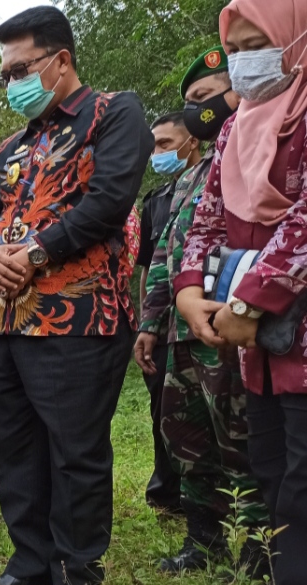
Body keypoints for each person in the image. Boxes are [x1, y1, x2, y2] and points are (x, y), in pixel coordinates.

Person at [0, 7, 152, 585]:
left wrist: (36, 253)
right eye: (5, 74)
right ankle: (30, 564)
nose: (12, 81)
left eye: (21, 69)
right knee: (16, 447)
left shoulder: (113, 114)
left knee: (74, 450)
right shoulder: (12, 145)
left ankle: (76, 575)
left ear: (61, 61)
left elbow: (109, 200)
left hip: (81, 316)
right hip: (10, 321)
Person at [177, 0, 307, 585]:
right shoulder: (235, 131)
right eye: (238, 45)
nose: (247, 59)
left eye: (262, 43)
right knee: (274, 471)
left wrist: (255, 299)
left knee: (303, 486)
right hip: (255, 343)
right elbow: (207, 217)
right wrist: (190, 289)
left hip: (293, 330)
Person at [139, 53, 267, 576]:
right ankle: (204, 541)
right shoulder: (194, 176)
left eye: (205, 98)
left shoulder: (256, 155)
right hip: (180, 329)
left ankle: (262, 551)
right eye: (190, 103)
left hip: (231, 324)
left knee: (241, 438)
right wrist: (150, 324)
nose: (198, 112)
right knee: (184, 436)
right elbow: (170, 254)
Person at [135, 114, 198, 514]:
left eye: (165, 143)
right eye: (154, 145)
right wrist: (147, 322)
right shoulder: (155, 201)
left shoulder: (218, 185)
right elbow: (149, 265)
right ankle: (167, 491)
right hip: (163, 324)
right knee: (164, 408)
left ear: (193, 142)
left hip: (205, 323)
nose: (158, 153)